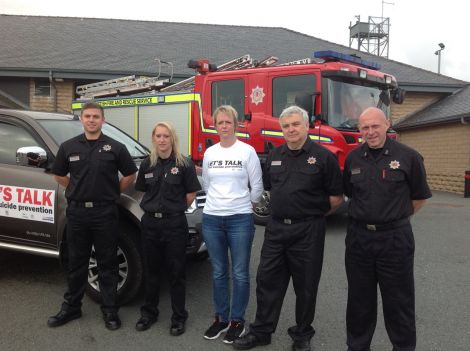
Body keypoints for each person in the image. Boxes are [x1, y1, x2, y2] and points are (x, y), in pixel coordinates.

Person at [234, 105, 344, 351]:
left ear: (306, 126)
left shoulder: (324, 158)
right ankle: (261, 331)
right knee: (267, 280)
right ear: (281, 129)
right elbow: (270, 189)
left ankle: (302, 335)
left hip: (308, 231)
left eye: (296, 124)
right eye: (286, 126)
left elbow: (336, 198)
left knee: (305, 286)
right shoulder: (275, 156)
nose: (291, 129)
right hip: (276, 230)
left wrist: (310, 215)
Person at [342, 107, 432, 351]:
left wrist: (393, 219)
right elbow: (351, 194)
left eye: (375, 126)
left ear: (387, 125)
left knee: (399, 302)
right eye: (365, 128)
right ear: (359, 130)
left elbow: (419, 197)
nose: (370, 132)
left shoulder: (409, 157)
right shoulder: (353, 158)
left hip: (395, 240)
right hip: (359, 240)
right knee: (359, 302)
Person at [48, 101, 137, 330]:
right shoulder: (68, 147)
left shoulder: (115, 147)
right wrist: (75, 188)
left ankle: (109, 310)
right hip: (77, 213)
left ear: (103, 120)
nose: (91, 120)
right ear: (81, 119)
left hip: (105, 212)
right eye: (87, 116)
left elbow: (130, 174)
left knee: (107, 263)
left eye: (96, 116)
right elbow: (58, 174)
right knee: (77, 261)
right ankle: (72, 308)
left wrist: (112, 191)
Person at [202, 105, 263, 344]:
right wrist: (220, 203)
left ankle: (237, 320)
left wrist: (240, 204)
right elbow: (207, 184)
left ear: (236, 125)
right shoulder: (210, 153)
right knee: (218, 272)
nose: (224, 126)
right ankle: (221, 318)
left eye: (228, 122)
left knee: (239, 272)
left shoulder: (247, 151)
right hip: (212, 218)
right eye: (220, 123)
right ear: (215, 126)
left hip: (240, 218)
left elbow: (256, 187)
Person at [134, 121, 201, 336]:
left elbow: (191, 194)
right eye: (158, 136)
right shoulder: (147, 164)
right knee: (151, 271)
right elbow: (142, 192)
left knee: (176, 273)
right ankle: (149, 313)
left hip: (174, 225)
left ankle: (179, 317)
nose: (162, 140)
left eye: (166, 136)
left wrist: (175, 208)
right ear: (153, 139)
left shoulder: (184, 164)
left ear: (172, 138)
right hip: (151, 224)